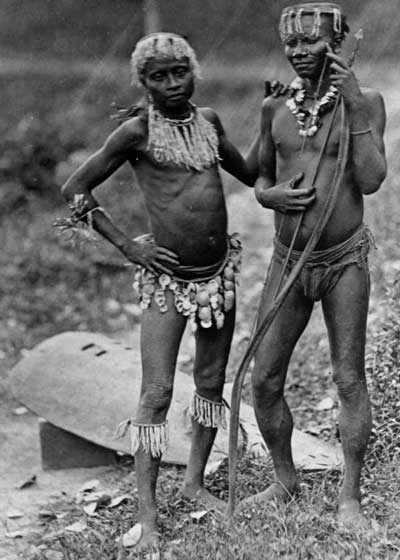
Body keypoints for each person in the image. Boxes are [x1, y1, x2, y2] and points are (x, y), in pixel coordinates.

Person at [60, 32, 260, 554]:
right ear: (142, 82)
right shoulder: (136, 132)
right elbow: (75, 190)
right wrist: (129, 247)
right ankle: (147, 516)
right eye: (158, 76)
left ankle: (195, 481)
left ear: (194, 72)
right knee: (155, 394)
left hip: (218, 276)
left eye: (179, 72)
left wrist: (269, 114)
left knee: (212, 380)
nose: (172, 84)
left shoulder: (210, 122)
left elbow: (253, 172)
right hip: (168, 282)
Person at [246, 3, 386, 529]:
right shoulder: (275, 108)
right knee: (263, 381)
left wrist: (352, 105)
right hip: (287, 262)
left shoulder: (365, 100)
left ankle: (348, 497)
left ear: (340, 41)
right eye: (292, 44)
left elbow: (371, 180)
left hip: (343, 258)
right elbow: (260, 180)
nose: (300, 52)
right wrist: (269, 198)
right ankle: (284, 478)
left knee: (348, 378)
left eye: (312, 42)